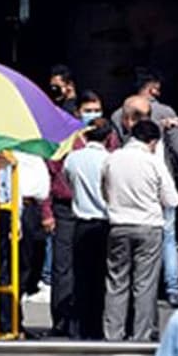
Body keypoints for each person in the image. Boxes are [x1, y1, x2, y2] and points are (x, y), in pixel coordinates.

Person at [42, 91, 117, 337]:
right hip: (66, 209)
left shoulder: (110, 140)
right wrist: (47, 211)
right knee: (63, 268)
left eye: (96, 110)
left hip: (98, 211)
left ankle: (91, 321)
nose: (92, 114)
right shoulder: (65, 139)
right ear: (78, 113)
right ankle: (62, 321)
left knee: (94, 268)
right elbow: (50, 174)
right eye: (88, 110)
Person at [102, 119, 178, 341]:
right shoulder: (153, 162)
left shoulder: (112, 159)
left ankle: (113, 334)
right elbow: (171, 199)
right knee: (144, 284)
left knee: (116, 282)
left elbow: (104, 191)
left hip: (118, 225)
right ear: (153, 141)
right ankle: (141, 336)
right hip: (148, 226)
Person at [116, 92, 178, 307]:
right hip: (155, 199)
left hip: (133, 205)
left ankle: (165, 290)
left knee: (128, 268)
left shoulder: (123, 148)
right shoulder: (161, 125)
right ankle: (171, 291)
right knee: (166, 241)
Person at [64, 123, 113, 339]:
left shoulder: (73, 158)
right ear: (109, 137)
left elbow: (68, 182)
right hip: (105, 222)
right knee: (103, 277)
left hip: (81, 222)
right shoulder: (109, 160)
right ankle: (98, 325)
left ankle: (81, 327)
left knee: (81, 277)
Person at [14, 150, 51, 307]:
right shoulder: (11, 155)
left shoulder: (34, 155)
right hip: (20, 205)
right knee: (22, 260)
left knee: (36, 254)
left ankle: (27, 289)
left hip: (32, 207)